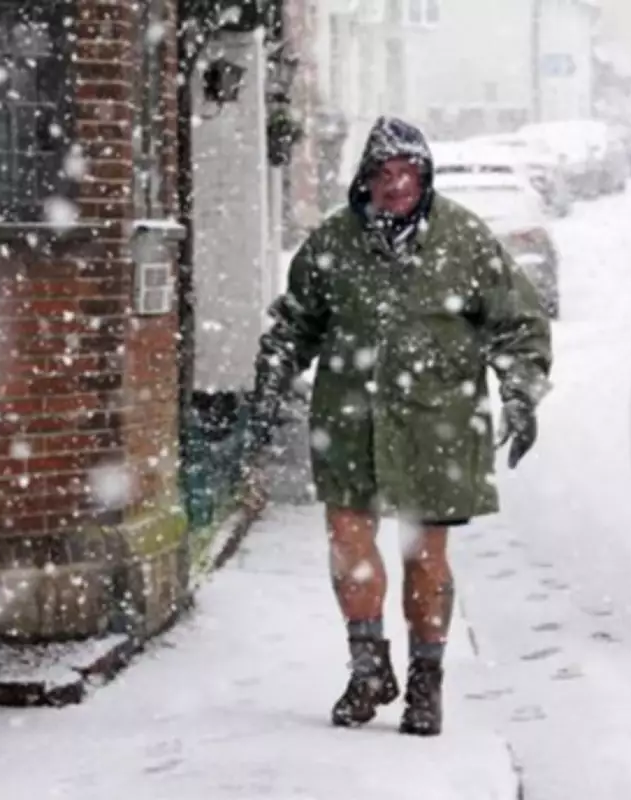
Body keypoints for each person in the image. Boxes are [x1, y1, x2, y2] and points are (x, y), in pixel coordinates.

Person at [250, 116, 552, 737]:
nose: (395, 187)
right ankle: (368, 671)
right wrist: (273, 374)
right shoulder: (334, 242)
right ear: (365, 181)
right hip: (350, 419)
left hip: (436, 421)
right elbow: (296, 322)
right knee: (348, 543)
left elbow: (517, 323)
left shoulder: (463, 239)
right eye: (383, 176)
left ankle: (424, 684)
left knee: (425, 557)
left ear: (425, 177)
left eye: (406, 174)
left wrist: (521, 392)